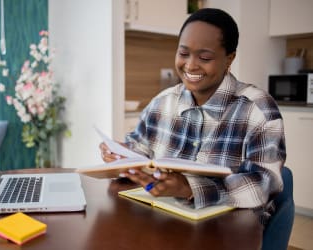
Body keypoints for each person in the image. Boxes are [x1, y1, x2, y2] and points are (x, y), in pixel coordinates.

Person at [100, 8, 285, 223]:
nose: (190, 65)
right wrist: (121, 155)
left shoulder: (257, 108)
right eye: (183, 53)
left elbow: (265, 184)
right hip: (164, 222)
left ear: (229, 58)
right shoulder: (163, 102)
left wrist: (189, 188)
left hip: (228, 231)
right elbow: (139, 149)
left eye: (205, 57)